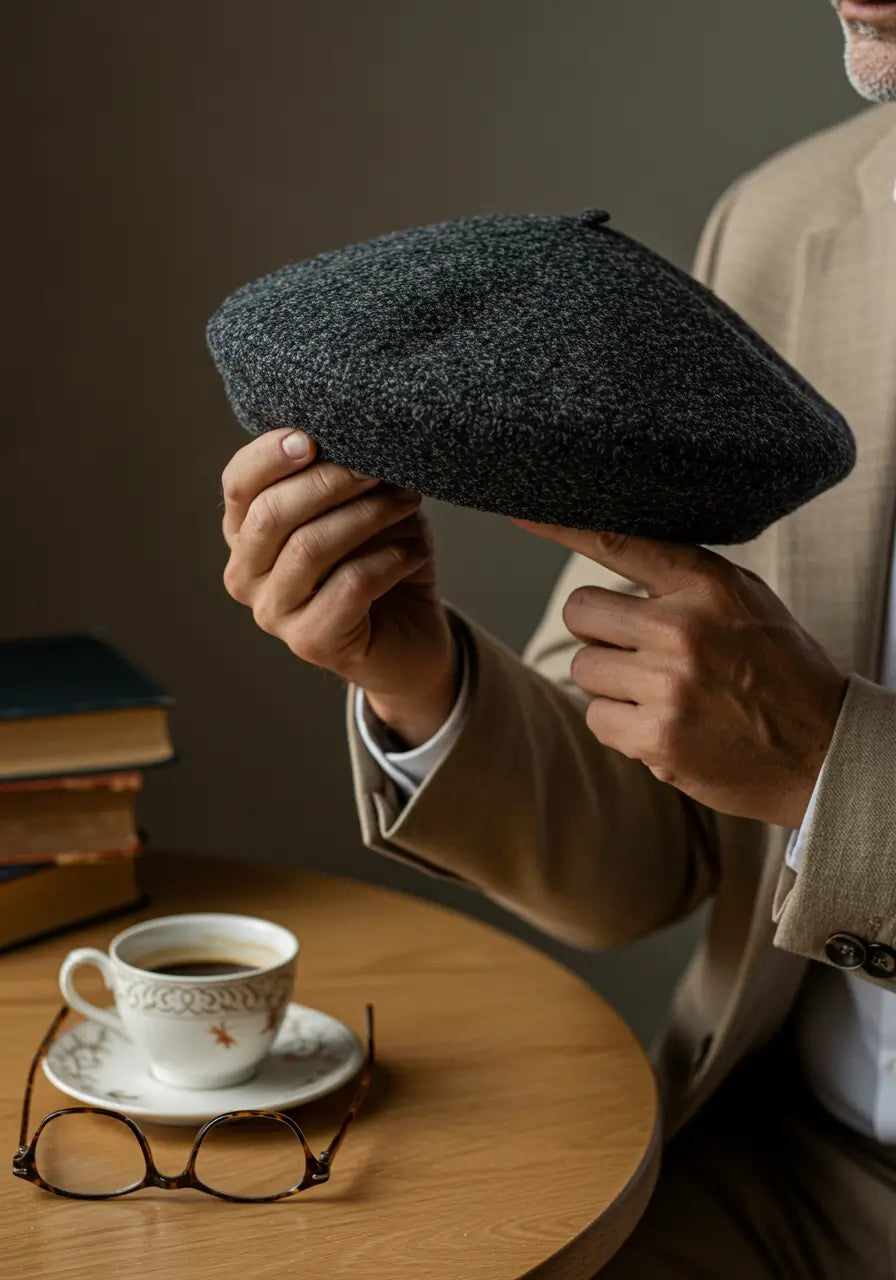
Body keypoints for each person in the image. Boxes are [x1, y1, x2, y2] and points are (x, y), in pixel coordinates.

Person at [219, 4, 896, 1272]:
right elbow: (637, 866)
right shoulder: (789, 224)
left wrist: (829, 772)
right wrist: (419, 676)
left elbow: (795, 765)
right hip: (772, 1169)